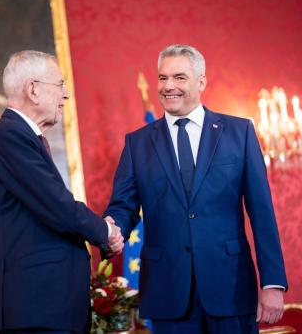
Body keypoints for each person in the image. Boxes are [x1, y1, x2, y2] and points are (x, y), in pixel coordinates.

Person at [104, 44, 288, 334]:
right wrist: (110, 230)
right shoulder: (137, 144)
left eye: (179, 77)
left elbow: (262, 213)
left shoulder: (239, 133)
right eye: (163, 78)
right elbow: (123, 206)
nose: (168, 86)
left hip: (231, 288)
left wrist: (273, 282)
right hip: (169, 293)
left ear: (201, 82)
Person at [0, 50, 123, 334]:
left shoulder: (18, 135)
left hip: (48, 306)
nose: (66, 95)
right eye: (60, 84)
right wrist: (105, 233)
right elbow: (57, 206)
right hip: (38, 307)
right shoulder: (10, 135)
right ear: (33, 90)